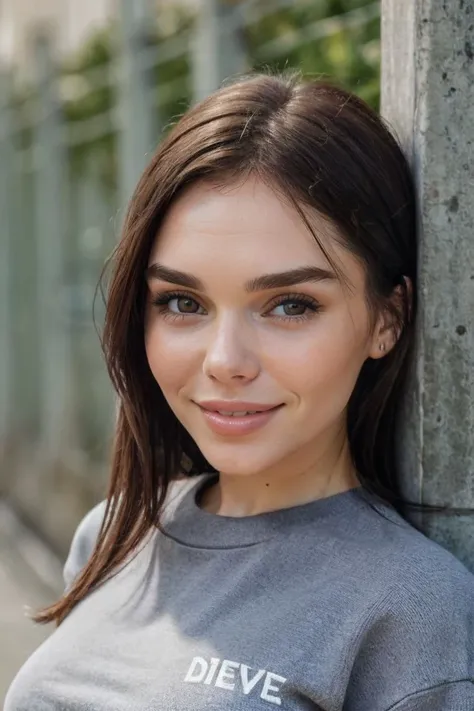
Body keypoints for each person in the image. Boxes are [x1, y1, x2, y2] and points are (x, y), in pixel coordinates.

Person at [5, 73, 474, 711]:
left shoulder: (408, 609)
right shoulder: (116, 533)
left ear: (386, 318)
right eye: (182, 301)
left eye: (289, 305)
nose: (226, 361)